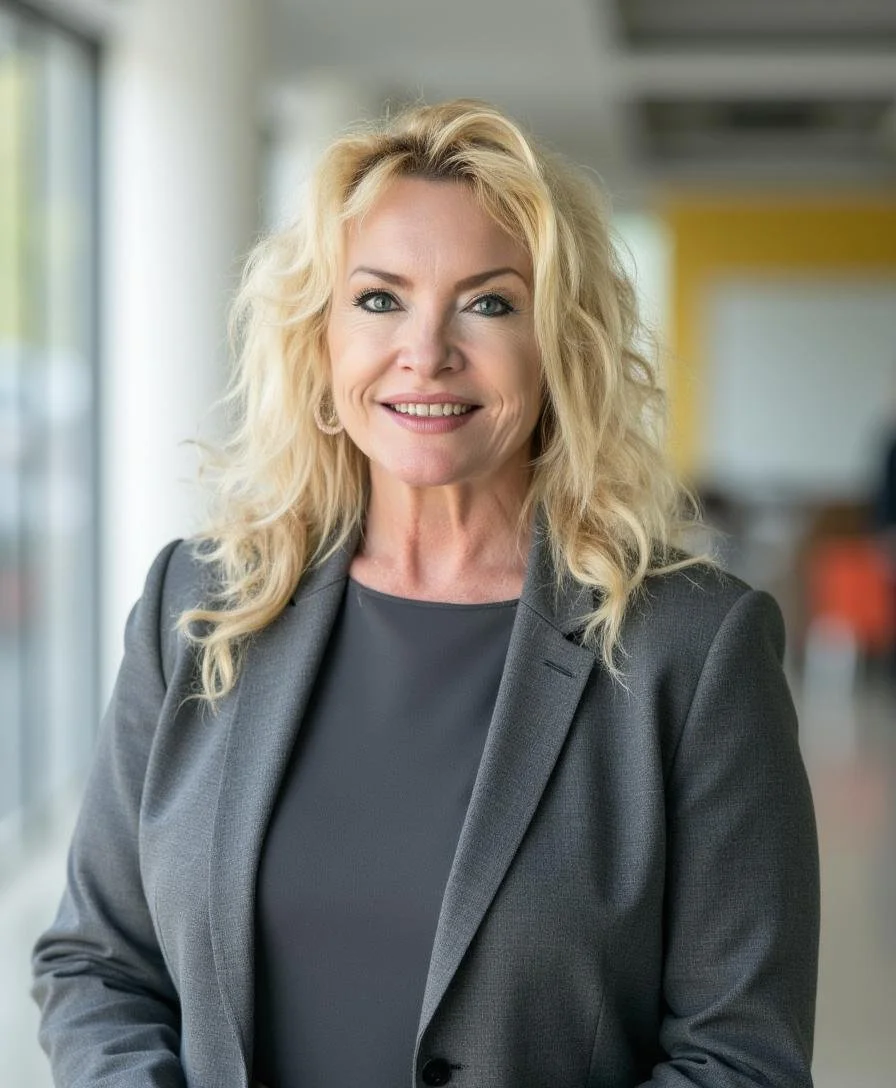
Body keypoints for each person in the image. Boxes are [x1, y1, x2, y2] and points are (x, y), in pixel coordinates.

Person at [31, 99, 820, 1088]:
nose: (426, 349)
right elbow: (99, 962)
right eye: (378, 298)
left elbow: (736, 1053)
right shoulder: (196, 604)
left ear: (558, 346)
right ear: (318, 339)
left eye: (488, 302)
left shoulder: (693, 645)